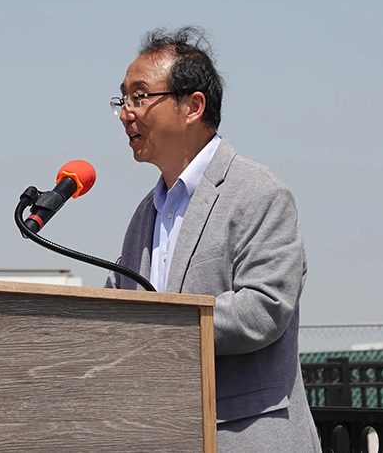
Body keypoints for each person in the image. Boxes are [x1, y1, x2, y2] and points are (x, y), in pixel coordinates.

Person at [105, 26, 321, 453]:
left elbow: (264, 308)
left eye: (140, 97)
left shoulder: (258, 191)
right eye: (122, 100)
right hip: (166, 433)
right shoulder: (145, 214)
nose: (127, 113)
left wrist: (158, 325)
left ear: (193, 106)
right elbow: (114, 305)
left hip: (247, 437)